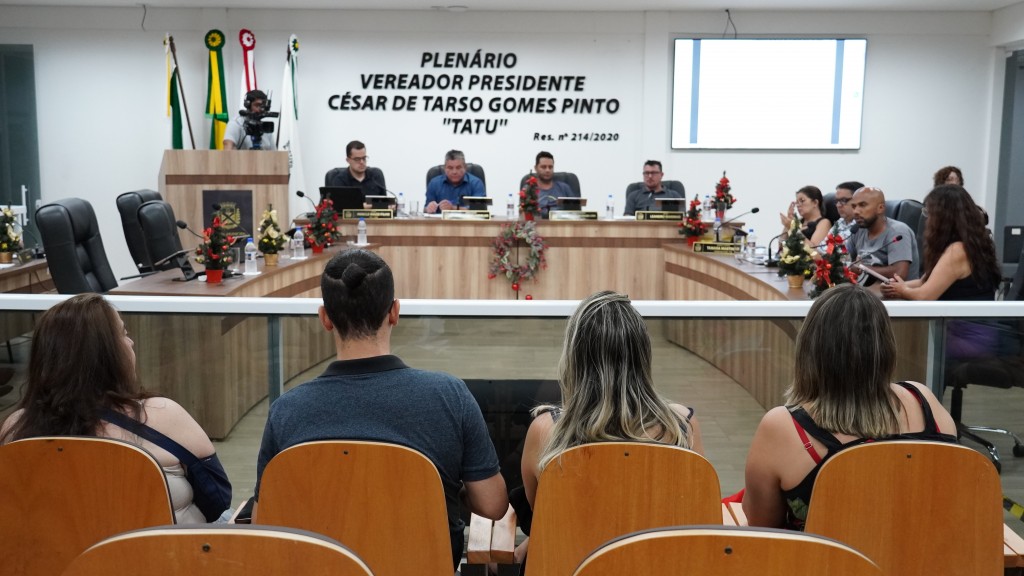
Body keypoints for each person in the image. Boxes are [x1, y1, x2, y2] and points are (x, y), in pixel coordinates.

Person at [253, 250, 507, 569]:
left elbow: (264, 521)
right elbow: (493, 507)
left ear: (325, 318)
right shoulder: (449, 395)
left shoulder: (287, 410)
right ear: (394, 312)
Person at [742, 283, 957, 530]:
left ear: (811, 348)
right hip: (930, 562)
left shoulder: (783, 427)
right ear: (885, 346)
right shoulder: (923, 400)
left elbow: (761, 524)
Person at [0, 293, 231, 524]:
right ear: (106, 353)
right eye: (123, 334)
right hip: (162, 556)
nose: (130, 342)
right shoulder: (162, 415)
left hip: (58, 558)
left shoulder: (17, 428)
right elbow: (218, 500)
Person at [516, 290, 704, 561]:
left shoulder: (548, 430)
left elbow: (545, 519)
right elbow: (692, 516)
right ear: (642, 355)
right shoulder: (683, 427)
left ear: (574, 357)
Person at [881, 184, 1002, 358]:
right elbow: (925, 281)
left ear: (944, 217)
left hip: (969, 338)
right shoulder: (968, 244)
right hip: (958, 331)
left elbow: (925, 296)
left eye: (929, 213)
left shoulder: (958, 250)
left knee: (901, 346)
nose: (927, 220)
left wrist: (902, 290)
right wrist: (898, 286)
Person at [846, 186, 920, 283]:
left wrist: (862, 268)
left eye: (862, 205)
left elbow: (900, 273)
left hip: (897, 294)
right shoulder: (858, 230)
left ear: (880, 208)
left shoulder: (898, 232)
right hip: (867, 291)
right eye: (854, 206)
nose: (856, 211)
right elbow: (846, 260)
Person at [531, 151, 579, 218]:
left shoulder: (564, 188)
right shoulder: (529, 190)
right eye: (543, 167)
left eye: (550, 167)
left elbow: (576, 213)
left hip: (562, 226)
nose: (547, 170)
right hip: (536, 226)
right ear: (536, 168)